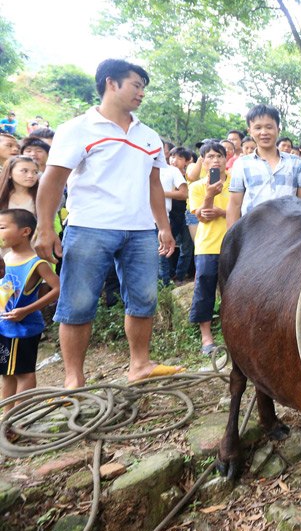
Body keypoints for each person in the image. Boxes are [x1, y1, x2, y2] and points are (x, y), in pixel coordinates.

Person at [34, 59, 179, 388]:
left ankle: (139, 365)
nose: (141, 93)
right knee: (78, 302)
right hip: (89, 227)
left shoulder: (149, 135)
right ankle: (74, 379)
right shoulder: (78, 128)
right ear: (111, 83)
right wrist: (45, 227)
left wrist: (163, 226)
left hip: (141, 230)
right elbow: (53, 181)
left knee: (144, 299)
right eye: (136, 85)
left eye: (144, 87)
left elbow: (154, 185)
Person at [0, 209, 60, 414]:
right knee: (6, 373)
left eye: (2, 228)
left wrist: (27, 309)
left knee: (24, 373)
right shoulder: (6, 257)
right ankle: (7, 417)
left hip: (23, 328)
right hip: (4, 326)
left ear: (25, 231)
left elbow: (57, 288)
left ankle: (20, 417)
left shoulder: (37, 263)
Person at [226, 104, 301, 227]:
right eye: (258, 128)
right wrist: (232, 242)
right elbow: (235, 204)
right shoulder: (241, 164)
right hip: (253, 232)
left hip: (289, 232)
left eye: (269, 127)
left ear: (278, 129)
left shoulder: (295, 162)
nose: (264, 132)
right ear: (250, 131)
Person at [188, 142, 230, 355]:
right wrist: (210, 195)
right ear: (203, 162)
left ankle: (230, 333)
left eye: (219, 156)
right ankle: (206, 338)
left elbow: (240, 211)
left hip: (233, 244)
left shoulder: (236, 182)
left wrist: (222, 211)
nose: (215, 160)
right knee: (204, 288)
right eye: (210, 157)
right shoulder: (196, 187)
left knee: (232, 291)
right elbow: (202, 214)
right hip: (207, 245)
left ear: (226, 159)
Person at [159, 147, 189, 286]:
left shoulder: (174, 172)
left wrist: (159, 193)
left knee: (165, 251)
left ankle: (167, 283)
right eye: (172, 156)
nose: (174, 160)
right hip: (147, 217)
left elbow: (184, 194)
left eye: (179, 157)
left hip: (170, 216)